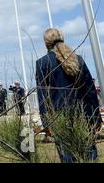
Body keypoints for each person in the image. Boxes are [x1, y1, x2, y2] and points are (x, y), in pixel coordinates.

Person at [36, 28, 102, 163]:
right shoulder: (78, 59)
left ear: (46, 43)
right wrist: (96, 118)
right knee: (90, 156)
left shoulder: (42, 63)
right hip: (84, 117)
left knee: (68, 158)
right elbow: (90, 91)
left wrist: (46, 123)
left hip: (60, 119)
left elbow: (43, 97)